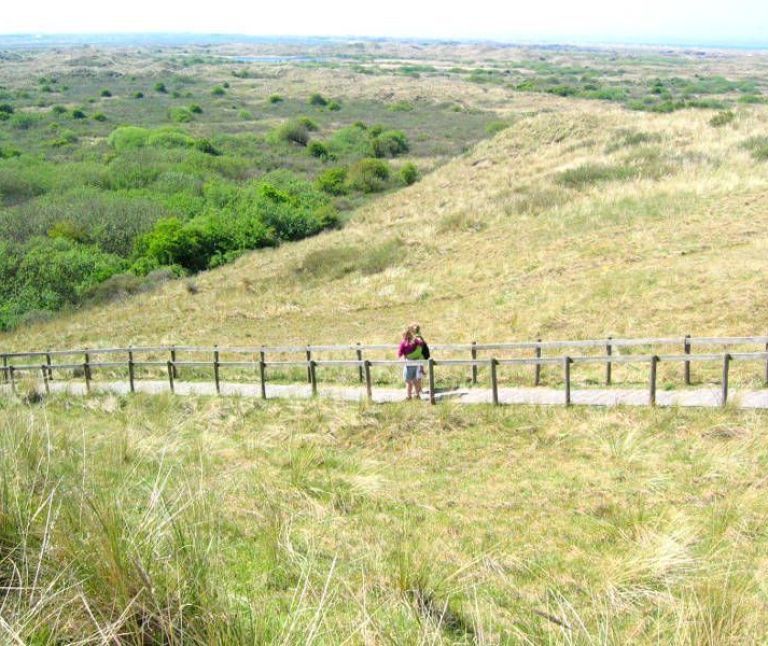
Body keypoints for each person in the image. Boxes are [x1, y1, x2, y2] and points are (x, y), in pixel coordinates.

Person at [398, 327, 424, 400]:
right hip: (415, 363)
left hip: (408, 364)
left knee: (408, 381)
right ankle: (417, 395)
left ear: (403, 335)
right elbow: (421, 343)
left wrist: (402, 356)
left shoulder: (403, 343)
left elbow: (400, 353)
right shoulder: (414, 341)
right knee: (414, 379)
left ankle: (409, 396)